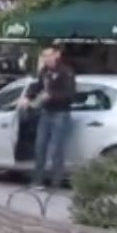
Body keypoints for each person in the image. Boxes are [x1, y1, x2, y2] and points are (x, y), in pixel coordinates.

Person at [18, 46, 76, 190]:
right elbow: (37, 86)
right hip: (46, 113)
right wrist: (28, 97)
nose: (47, 58)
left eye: (49, 55)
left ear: (57, 55)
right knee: (40, 147)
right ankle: (38, 181)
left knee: (56, 149)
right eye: (44, 56)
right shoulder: (44, 71)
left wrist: (51, 96)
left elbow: (69, 94)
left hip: (60, 113)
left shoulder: (66, 71)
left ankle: (56, 183)